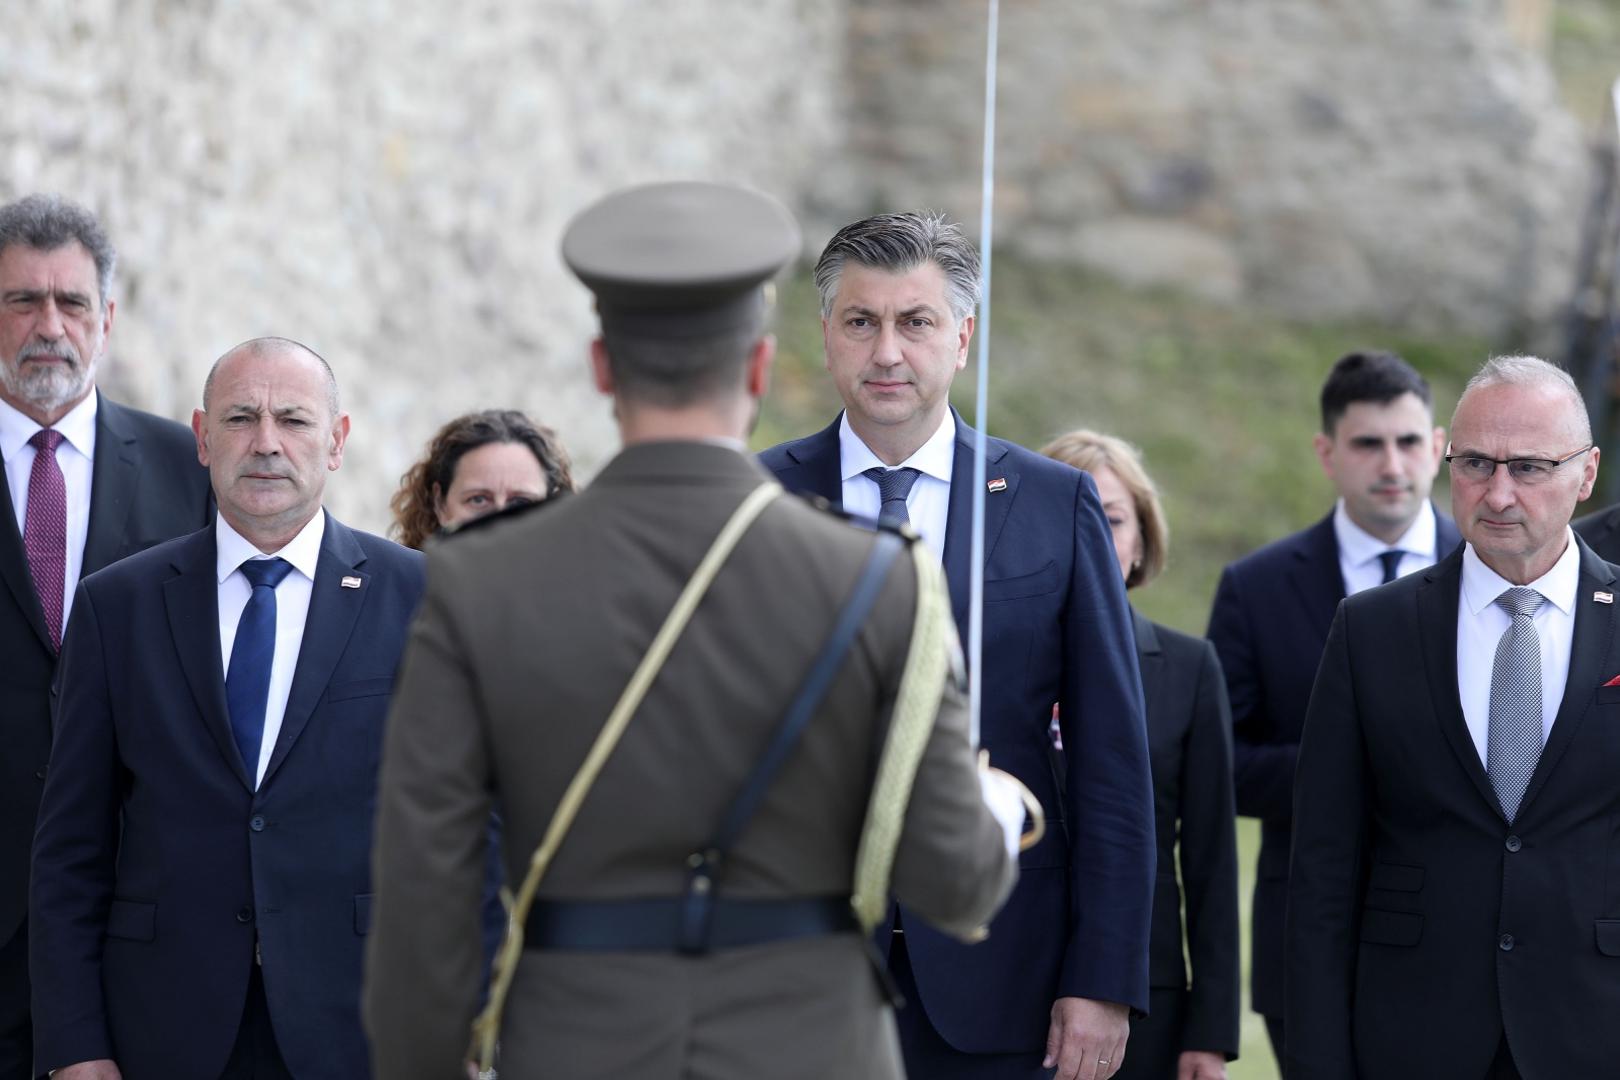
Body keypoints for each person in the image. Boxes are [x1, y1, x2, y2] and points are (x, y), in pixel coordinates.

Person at [363, 181, 1021, 1080]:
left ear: (602, 367)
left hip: (575, 1048)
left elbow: (421, 900)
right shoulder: (879, 580)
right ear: (759, 367)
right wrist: (1002, 804)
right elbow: (956, 878)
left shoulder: (478, 582)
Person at [759, 211, 1153, 1080]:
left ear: (963, 337)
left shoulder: (1054, 505)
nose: (888, 352)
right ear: (826, 335)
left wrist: (1105, 979)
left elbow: (1112, 762)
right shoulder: (757, 501)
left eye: (917, 322)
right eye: (861, 322)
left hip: (1001, 974)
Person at [29, 337, 425, 1080]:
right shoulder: (119, 606)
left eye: (295, 421)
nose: (267, 443)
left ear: (337, 442)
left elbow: (467, 836)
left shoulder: (419, 599)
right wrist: (76, 1048)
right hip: (160, 1032)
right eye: (241, 418)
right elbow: (69, 855)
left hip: (363, 1031)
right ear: (202, 438)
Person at [1286, 354, 1620, 1078]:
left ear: (1587, 473)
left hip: (1594, 1032)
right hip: (1412, 1037)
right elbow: (1321, 872)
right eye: (1474, 463)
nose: (1497, 493)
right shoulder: (1371, 630)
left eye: (1529, 467)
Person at [0, 194, 211, 1080]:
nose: (50, 325)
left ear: (108, 318)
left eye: (72, 302)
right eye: (22, 301)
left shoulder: (191, 471)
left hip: (136, 924)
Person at [1204, 349, 1460, 1069]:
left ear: (1438, 447)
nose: (1392, 463)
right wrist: (1345, 774)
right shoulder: (1254, 589)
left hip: (1465, 939)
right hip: (1308, 940)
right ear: (1327, 453)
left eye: (1409, 442)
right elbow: (1219, 760)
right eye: (1367, 443)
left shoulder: (1487, 570)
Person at [1041, 431, 1238, 1080]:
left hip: (1143, 1002)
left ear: (1141, 541)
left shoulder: (1189, 668)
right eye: (1073, 513)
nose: (1095, 533)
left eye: (1114, 517)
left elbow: (1212, 862)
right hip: (1003, 983)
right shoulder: (988, 661)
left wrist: (1209, 1032)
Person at [390, 408, 576, 548]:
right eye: (478, 499)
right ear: (440, 505)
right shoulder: (403, 595)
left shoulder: (585, 595)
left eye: (521, 501)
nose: (500, 518)